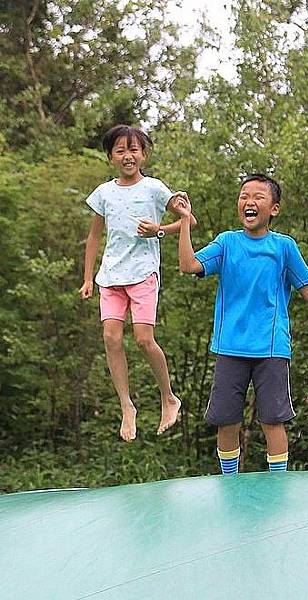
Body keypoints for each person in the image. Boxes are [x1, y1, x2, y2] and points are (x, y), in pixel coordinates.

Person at [172, 173, 308, 474]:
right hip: (230, 346)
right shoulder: (227, 242)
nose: (249, 201)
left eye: (258, 197)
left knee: (273, 419)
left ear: (274, 209)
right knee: (226, 420)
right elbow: (188, 265)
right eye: (244, 196)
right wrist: (184, 221)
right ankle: (229, 483)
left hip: (271, 349)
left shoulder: (283, 247)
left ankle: (277, 484)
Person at [79, 124, 196, 441]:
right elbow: (94, 236)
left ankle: (168, 397)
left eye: (133, 149)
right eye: (120, 150)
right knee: (111, 337)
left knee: (144, 339)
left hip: (143, 272)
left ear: (144, 154)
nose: (127, 155)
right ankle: (126, 406)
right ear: (110, 157)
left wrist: (158, 230)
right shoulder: (103, 193)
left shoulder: (155, 189)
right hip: (111, 276)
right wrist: (88, 278)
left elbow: (188, 220)